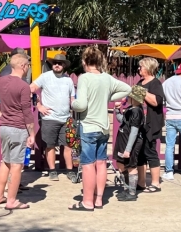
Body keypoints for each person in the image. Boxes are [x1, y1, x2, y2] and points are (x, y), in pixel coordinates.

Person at [70, 47, 130, 211]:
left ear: (84, 61)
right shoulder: (107, 78)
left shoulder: (84, 78)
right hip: (104, 127)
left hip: (89, 126)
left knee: (88, 164)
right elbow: (127, 89)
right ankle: (98, 200)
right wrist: (108, 97)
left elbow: (81, 104)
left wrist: (72, 103)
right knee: (101, 163)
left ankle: (87, 202)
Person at [0, 52, 36, 210]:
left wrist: (0, 114)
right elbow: (27, 112)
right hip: (18, 128)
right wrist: (32, 134)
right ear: (23, 66)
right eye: (28, 65)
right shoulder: (23, 86)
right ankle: (12, 200)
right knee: (16, 165)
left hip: (4, 127)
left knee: (5, 162)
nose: (28, 68)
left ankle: (0, 196)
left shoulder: (1, 82)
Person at [32, 55, 77, 182]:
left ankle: (70, 171)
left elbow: (72, 99)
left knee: (68, 146)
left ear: (64, 66)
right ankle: (52, 171)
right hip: (49, 118)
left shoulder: (68, 80)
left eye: (60, 63)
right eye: (55, 63)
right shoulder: (45, 77)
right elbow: (31, 89)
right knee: (49, 145)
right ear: (52, 65)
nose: (57, 65)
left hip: (66, 118)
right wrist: (39, 105)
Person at [113, 85, 148, 202]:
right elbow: (121, 120)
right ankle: (126, 188)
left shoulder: (137, 112)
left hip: (130, 143)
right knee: (120, 164)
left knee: (131, 166)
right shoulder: (130, 109)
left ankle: (132, 192)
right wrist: (117, 110)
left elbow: (134, 132)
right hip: (122, 140)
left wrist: (128, 149)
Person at [135, 57, 165, 193]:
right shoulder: (140, 82)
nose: (139, 69)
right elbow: (135, 101)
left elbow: (156, 102)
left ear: (147, 68)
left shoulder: (155, 83)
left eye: (141, 67)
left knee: (150, 152)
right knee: (140, 153)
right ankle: (141, 183)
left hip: (151, 123)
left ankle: (155, 183)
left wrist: (141, 91)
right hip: (139, 123)